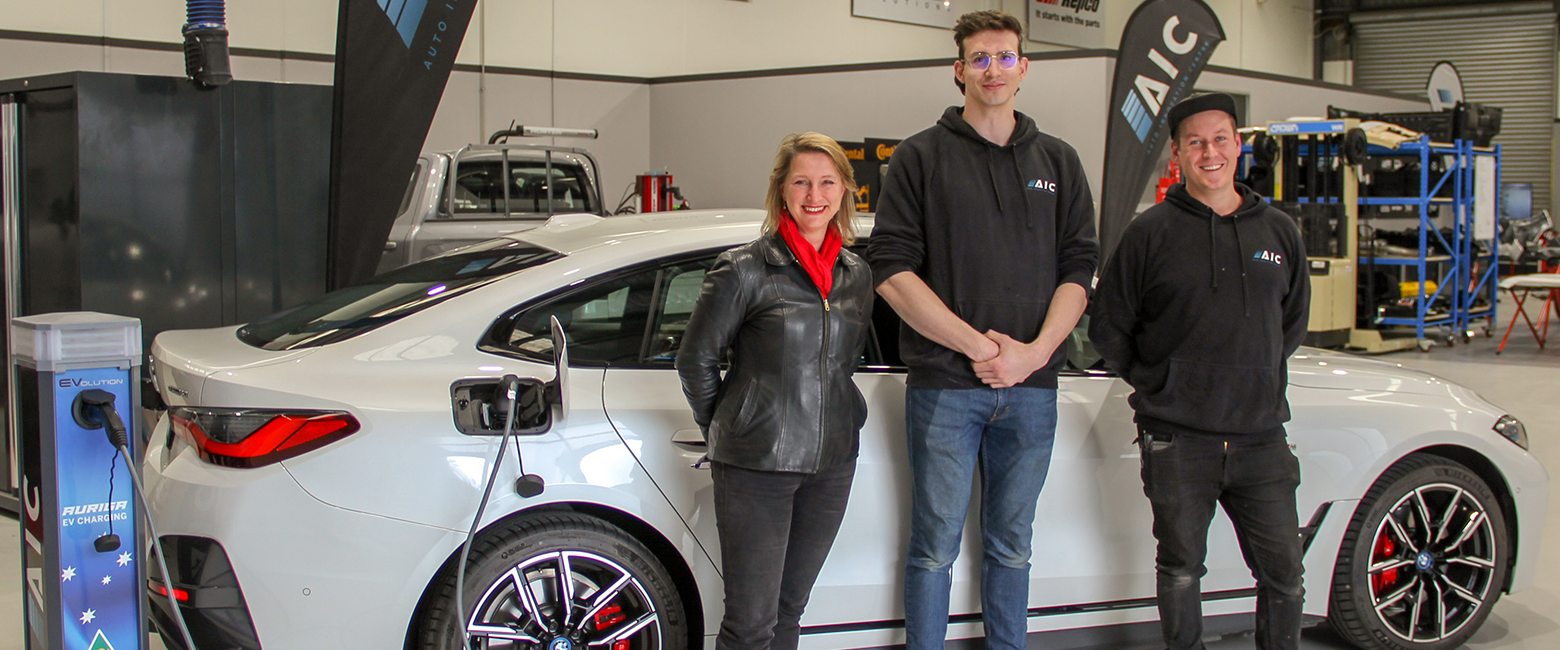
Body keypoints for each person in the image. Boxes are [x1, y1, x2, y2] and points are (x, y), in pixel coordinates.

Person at [865, 10, 1099, 650]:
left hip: (1033, 387)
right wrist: (980, 348)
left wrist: (1033, 355)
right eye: (980, 58)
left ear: (1024, 68)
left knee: (1012, 546)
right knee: (934, 548)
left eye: (1004, 57)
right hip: (946, 385)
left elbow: (1081, 267)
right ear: (958, 69)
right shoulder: (918, 157)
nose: (992, 69)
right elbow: (890, 268)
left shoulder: (1060, 160)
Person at [1088, 92, 1311, 650]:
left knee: (1285, 575)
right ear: (1177, 153)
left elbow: (1292, 323)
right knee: (1182, 568)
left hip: (1261, 439)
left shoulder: (1280, 232)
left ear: (1238, 146)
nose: (1208, 152)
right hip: (1178, 438)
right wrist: (1166, 383)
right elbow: (1110, 326)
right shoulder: (1149, 233)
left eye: (1219, 140)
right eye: (1195, 142)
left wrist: (1250, 374)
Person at [676, 132, 874, 650]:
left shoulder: (855, 273)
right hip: (756, 466)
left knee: (790, 611)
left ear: (845, 190)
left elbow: (843, 364)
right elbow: (695, 359)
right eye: (802, 182)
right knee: (750, 623)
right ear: (782, 191)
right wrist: (727, 426)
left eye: (828, 182)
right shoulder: (743, 268)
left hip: (831, 464)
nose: (815, 195)